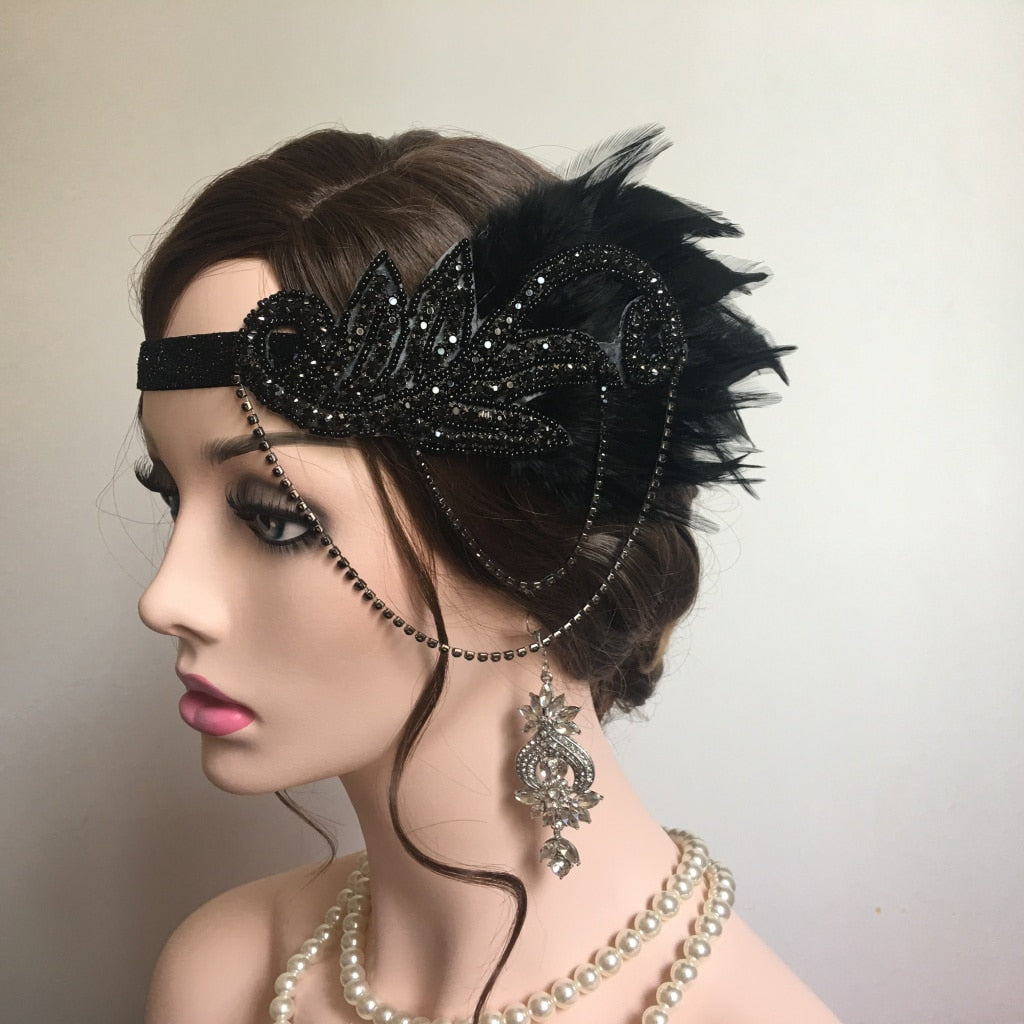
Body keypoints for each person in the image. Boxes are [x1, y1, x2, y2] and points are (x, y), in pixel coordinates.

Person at [135, 125, 841, 1024]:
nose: (164, 598)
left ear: (532, 548)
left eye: (276, 519)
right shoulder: (220, 974)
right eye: (171, 495)